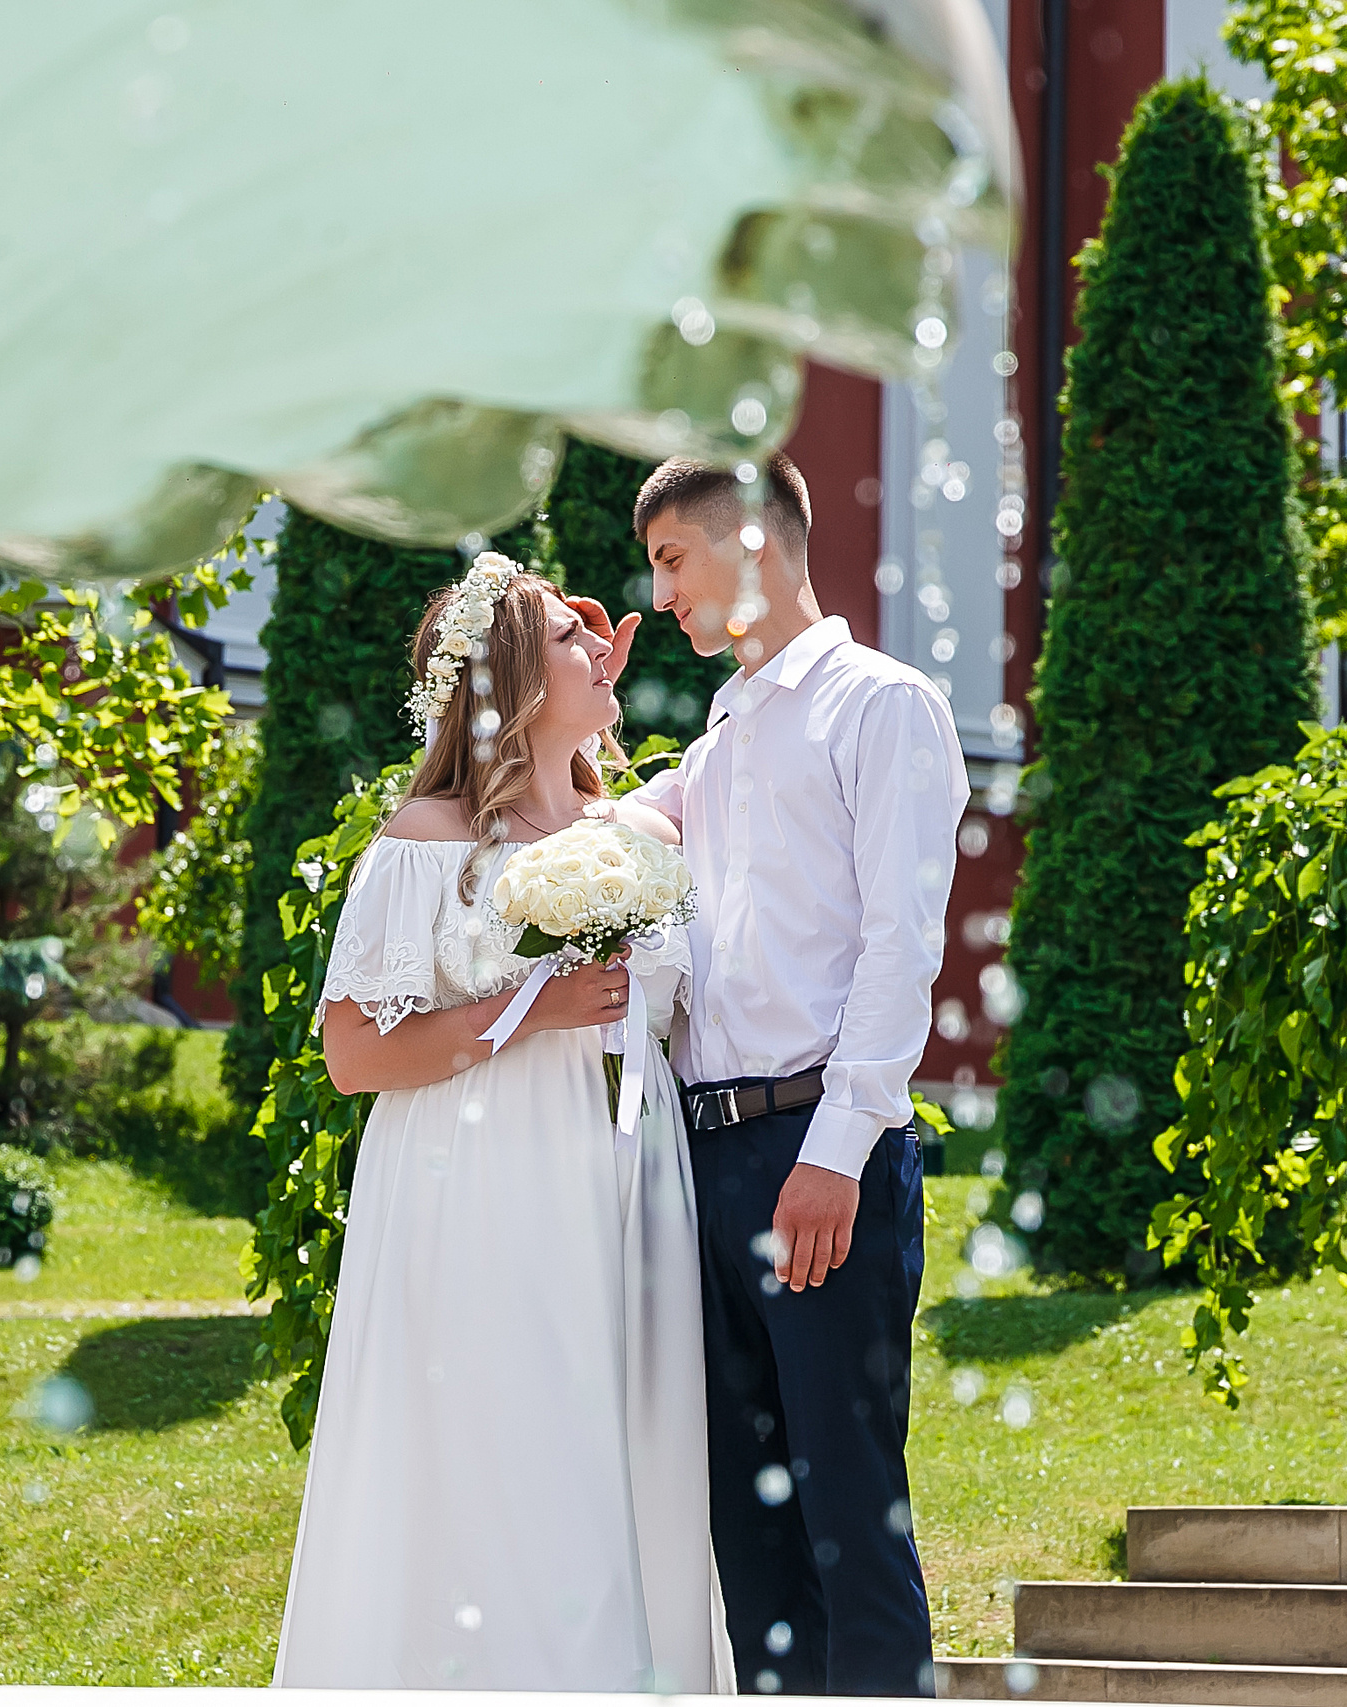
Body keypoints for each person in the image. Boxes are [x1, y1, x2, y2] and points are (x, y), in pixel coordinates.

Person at [272, 553, 731, 1693]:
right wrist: (531, 1013)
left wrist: (590, 698)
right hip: (480, 1175)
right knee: (509, 1439)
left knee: (628, 1442)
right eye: (572, 643)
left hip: (626, 1165)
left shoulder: (632, 835)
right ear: (520, 684)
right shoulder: (428, 837)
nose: (603, 646)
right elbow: (352, 1052)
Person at [626, 452, 969, 1697]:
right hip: (705, 1162)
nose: (661, 597)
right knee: (749, 1533)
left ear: (753, 544)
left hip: (816, 1156)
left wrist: (836, 1153)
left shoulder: (881, 706)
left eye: (673, 561)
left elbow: (900, 943)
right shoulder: (717, 736)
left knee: (846, 1514)